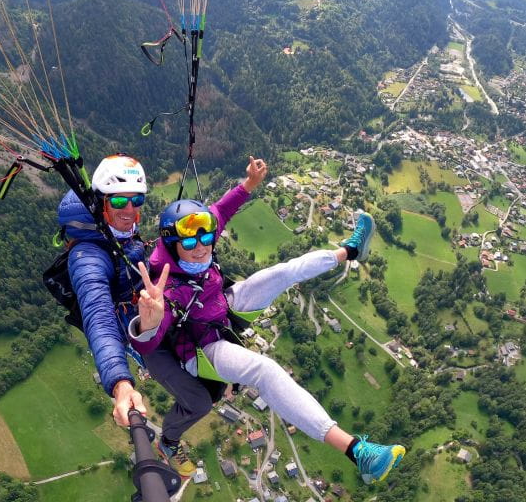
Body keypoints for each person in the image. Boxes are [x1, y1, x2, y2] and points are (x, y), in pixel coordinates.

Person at [129, 163, 405, 484]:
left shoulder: (198, 233)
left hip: (220, 308)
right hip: (203, 349)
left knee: (283, 273)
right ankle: (358, 452)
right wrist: (149, 323)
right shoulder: (167, 288)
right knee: (265, 370)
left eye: (206, 237)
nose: (201, 246)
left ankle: (351, 250)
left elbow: (221, 211)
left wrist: (248, 184)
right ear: (173, 246)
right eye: (189, 244)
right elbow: (150, 345)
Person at [57, 153, 150, 426]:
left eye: (137, 200)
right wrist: (121, 383)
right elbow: (98, 317)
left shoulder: (115, 231)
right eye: (120, 200)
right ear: (100, 203)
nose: (130, 209)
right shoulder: (87, 256)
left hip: (142, 304)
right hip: (131, 326)